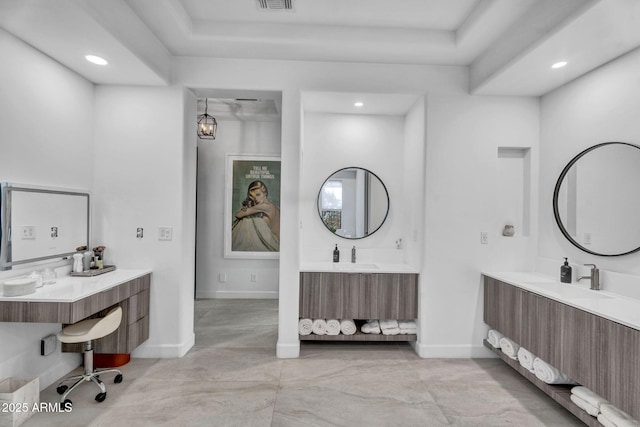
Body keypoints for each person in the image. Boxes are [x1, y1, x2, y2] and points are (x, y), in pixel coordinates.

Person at [232, 180, 280, 251]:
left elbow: (238, 215)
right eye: (253, 197)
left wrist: (246, 209)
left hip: (275, 244)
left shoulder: (264, 206)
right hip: (277, 243)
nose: (256, 199)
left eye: (258, 195)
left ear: (265, 193)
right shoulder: (271, 206)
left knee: (248, 220)